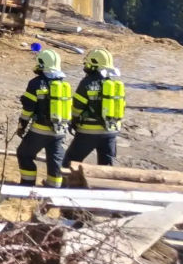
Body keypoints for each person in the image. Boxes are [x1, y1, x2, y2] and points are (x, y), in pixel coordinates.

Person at [15, 48, 72, 187]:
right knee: (55, 159)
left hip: (40, 130)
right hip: (59, 131)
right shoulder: (64, 84)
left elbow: (28, 109)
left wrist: (21, 126)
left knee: (24, 154)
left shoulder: (36, 83)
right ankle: (54, 187)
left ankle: (27, 185)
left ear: (41, 63)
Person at [63, 48, 125, 168]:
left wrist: (74, 123)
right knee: (106, 167)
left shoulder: (87, 83)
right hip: (110, 131)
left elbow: (77, 107)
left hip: (88, 132)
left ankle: (67, 185)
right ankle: (104, 186)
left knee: (70, 162)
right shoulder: (114, 85)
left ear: (93, 64)